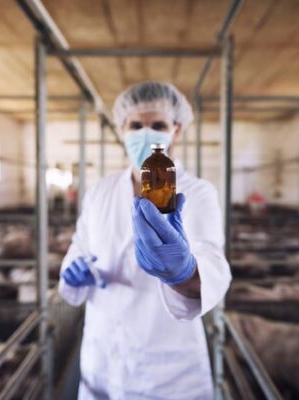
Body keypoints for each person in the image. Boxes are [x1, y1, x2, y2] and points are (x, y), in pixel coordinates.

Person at [59, 81, 231, 399]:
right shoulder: (100, 191)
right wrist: (74, 267)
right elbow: (81, 244)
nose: (146, 133)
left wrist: (184, 273)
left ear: (176, 130)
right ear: (122, 130)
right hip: (104, 358)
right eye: (136, 125)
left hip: (169, 370)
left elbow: (213, 263)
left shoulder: (198, 192)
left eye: (158, 125)